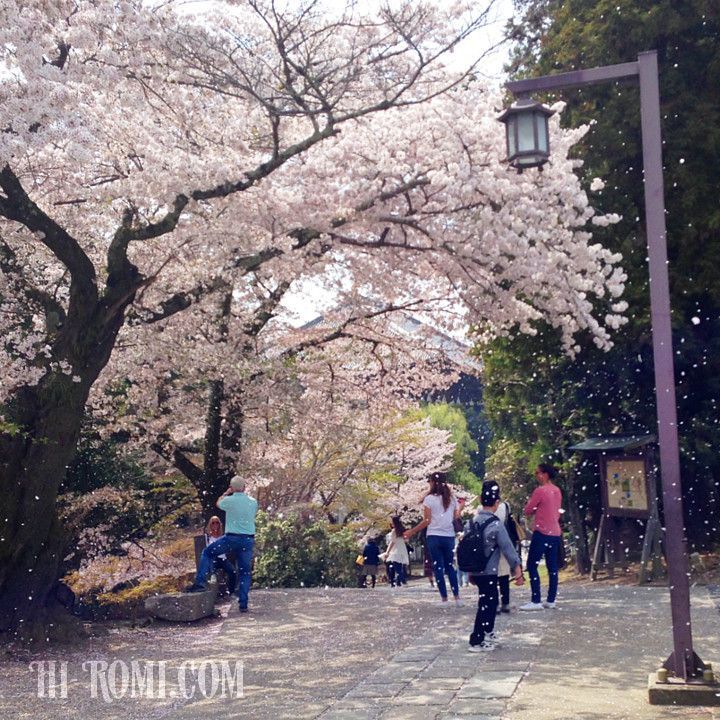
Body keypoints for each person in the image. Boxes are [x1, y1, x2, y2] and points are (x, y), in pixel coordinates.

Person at [465, 481, 524, 652]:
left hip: (476, 570)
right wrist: (518, 571)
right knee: (487, 603)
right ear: (496, 503)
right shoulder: (496, 524)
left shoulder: (471, 522)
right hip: (489, 570)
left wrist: (470, 571)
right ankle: (477, 639)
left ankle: (487, 632)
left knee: (489, 601)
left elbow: (468, 549)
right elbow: (508, 549)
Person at [187, 475, 258, 613]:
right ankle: (243, 603)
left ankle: (200, 582)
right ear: (244, 487)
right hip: (248, 539)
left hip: (231, 538)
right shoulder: (253, 502)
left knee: (207, 552)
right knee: (244, 572)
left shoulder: (229, 500)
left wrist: (226, 493)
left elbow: (218, 503)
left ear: (232, 487)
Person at [404, 472, 464, 606]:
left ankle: (444, 599)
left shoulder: (429, 499)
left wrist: (412, 531)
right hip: (448, 536)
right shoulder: (452, 499)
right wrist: (460, 508)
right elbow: (456, 518)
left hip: (434, 536)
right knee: (450, 566)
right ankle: (457, 598)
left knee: (438, 567)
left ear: (432, 482)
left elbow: (427, 521)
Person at [520, 463, 563, 611]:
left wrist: (533, 507)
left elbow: (527, 510)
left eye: (537, 473)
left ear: (545, 474)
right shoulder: (557, 490)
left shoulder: (540, 491)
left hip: (542, 532)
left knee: (532, 565)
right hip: (555, 532)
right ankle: (551, 599)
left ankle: (536, 599)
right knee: (552, 567)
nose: (536, 475)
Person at [205, 515, 237, 596]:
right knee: (213, 575)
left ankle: (231, 591)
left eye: (217, 522)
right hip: (213, 559)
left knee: (233, 572)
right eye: (213, 523)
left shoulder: (223, 536)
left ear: (219, 524)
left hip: (223, 559)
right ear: (210, 525)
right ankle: (216, 594)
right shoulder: (207, 537)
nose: (215, 524)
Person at [385, 516, 409, 587]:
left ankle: (403, 580)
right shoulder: (403, 530)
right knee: (399, 566)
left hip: (396, 549)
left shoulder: (394, 531)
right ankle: (399, 581)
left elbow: (392, 542)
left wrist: (387, 552)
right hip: (402, 548)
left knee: (396, 567)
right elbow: (406, 540)